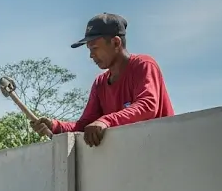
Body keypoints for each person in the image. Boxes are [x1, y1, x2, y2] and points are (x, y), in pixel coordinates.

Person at [31, 13, 174, 147]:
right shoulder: (100, 83)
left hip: (161, 151)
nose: (91, 55)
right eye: (89, 49)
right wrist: (55, 126)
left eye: (95, 48)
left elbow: (147, 106)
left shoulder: (143, 65)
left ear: (116, 43)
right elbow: (85, 125)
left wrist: (106, 121)